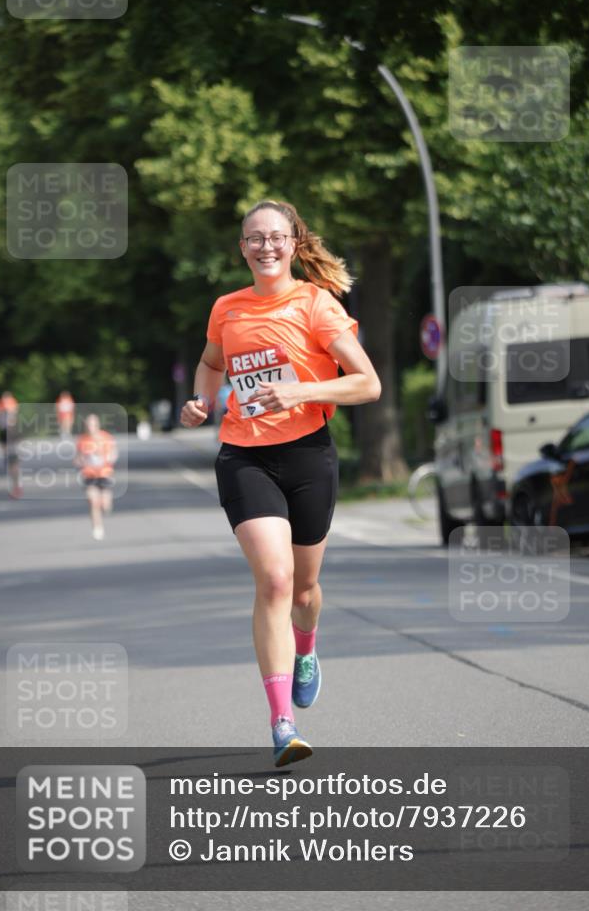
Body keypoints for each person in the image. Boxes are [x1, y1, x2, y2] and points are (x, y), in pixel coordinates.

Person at [180, 200, 381, 766]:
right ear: (242, 248)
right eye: (254, 239)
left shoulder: (317, 306)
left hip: (308, 456)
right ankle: (281, 723)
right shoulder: (227, 308)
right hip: (244, 455)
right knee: (273, 579)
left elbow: (368, 384)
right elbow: (211, 365)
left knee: (303, 592)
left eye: (275, 238)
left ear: (293, 244)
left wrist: (300, 392)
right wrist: (200, 400)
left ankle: (308, 646)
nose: (265, 247)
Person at [74, 413, 118, 540]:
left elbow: (114, 453)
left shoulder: (106, 437)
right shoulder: (82, 440)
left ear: (97, 425)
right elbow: (77, 457)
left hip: (105, 473)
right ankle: (97, 527)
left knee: (105, 505)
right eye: (88, 424)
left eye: (93, 424)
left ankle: (106, 507)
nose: (90, 427)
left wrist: (109, 458)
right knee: (93, 502)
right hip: (89, 475)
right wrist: (80, 461)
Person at [0, 391, 22, 497]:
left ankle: (17, 487)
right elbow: (2, 443)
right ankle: (14, 487)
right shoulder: (3, 431)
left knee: (15, 468)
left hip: (14, 451)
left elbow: (20, 441)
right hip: (9, 452)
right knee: (11, 470)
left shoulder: (15, 428)